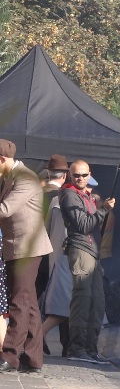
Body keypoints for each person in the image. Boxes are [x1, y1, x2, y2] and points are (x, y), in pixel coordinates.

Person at [0, 139, 54, 373]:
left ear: (2, 159)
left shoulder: (25, 179)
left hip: (27, 249)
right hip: (16, 247)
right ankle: (32, 358)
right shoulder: (9, 177)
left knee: (19, 301)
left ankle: (10, 356)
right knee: (29, 303)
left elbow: (5, 209)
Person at [60, 159, 115, 365]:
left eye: (84, 175)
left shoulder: (88, 196)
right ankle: (77, 348)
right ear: (70, 175)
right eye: (76, 175)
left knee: (97, 303)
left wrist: (101, 209)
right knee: (82, 302)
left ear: (89, 174)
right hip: (81, 250)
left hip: (93, 253)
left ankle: (91, 349)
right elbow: (83, 225)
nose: (80, 178)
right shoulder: (69, 195)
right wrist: (104, 210)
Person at [38, 155, 73, 356]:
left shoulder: (35, 194)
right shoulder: (62, 197)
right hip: (54, 253)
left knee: (36, 300)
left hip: (33, 255)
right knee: (63, 298)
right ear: (65, 175)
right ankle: (66, 344)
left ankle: (32, 339)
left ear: (48, 173)